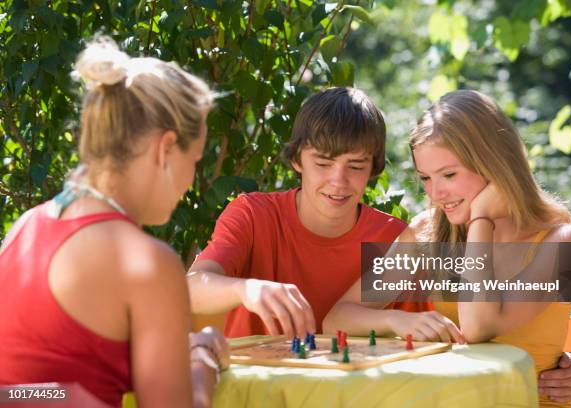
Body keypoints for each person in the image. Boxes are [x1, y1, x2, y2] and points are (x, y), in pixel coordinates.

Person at [0, 37, 228, 408]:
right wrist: (202, 360)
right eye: (196, 161)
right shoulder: (145, 263)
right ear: (166, 148)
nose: (191, 183)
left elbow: (29, 386)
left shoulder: (26, 226)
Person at [324, 89, 571, 406]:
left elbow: (477, 327)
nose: (436, 194)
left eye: (448, 174)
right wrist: (396, 321)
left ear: (494, 163)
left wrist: (482, 218)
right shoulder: (428, 233)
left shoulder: (564, 243)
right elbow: (337, 318)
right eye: (425, 178)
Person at [187, 87, 435, 340]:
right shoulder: (252, 215)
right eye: (323, 164)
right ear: (296, 160)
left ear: (373, 168)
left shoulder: (396, 237)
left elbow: (457, 316)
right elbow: (191, 287)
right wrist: (245, 289)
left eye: (356, 166)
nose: (338, 181)